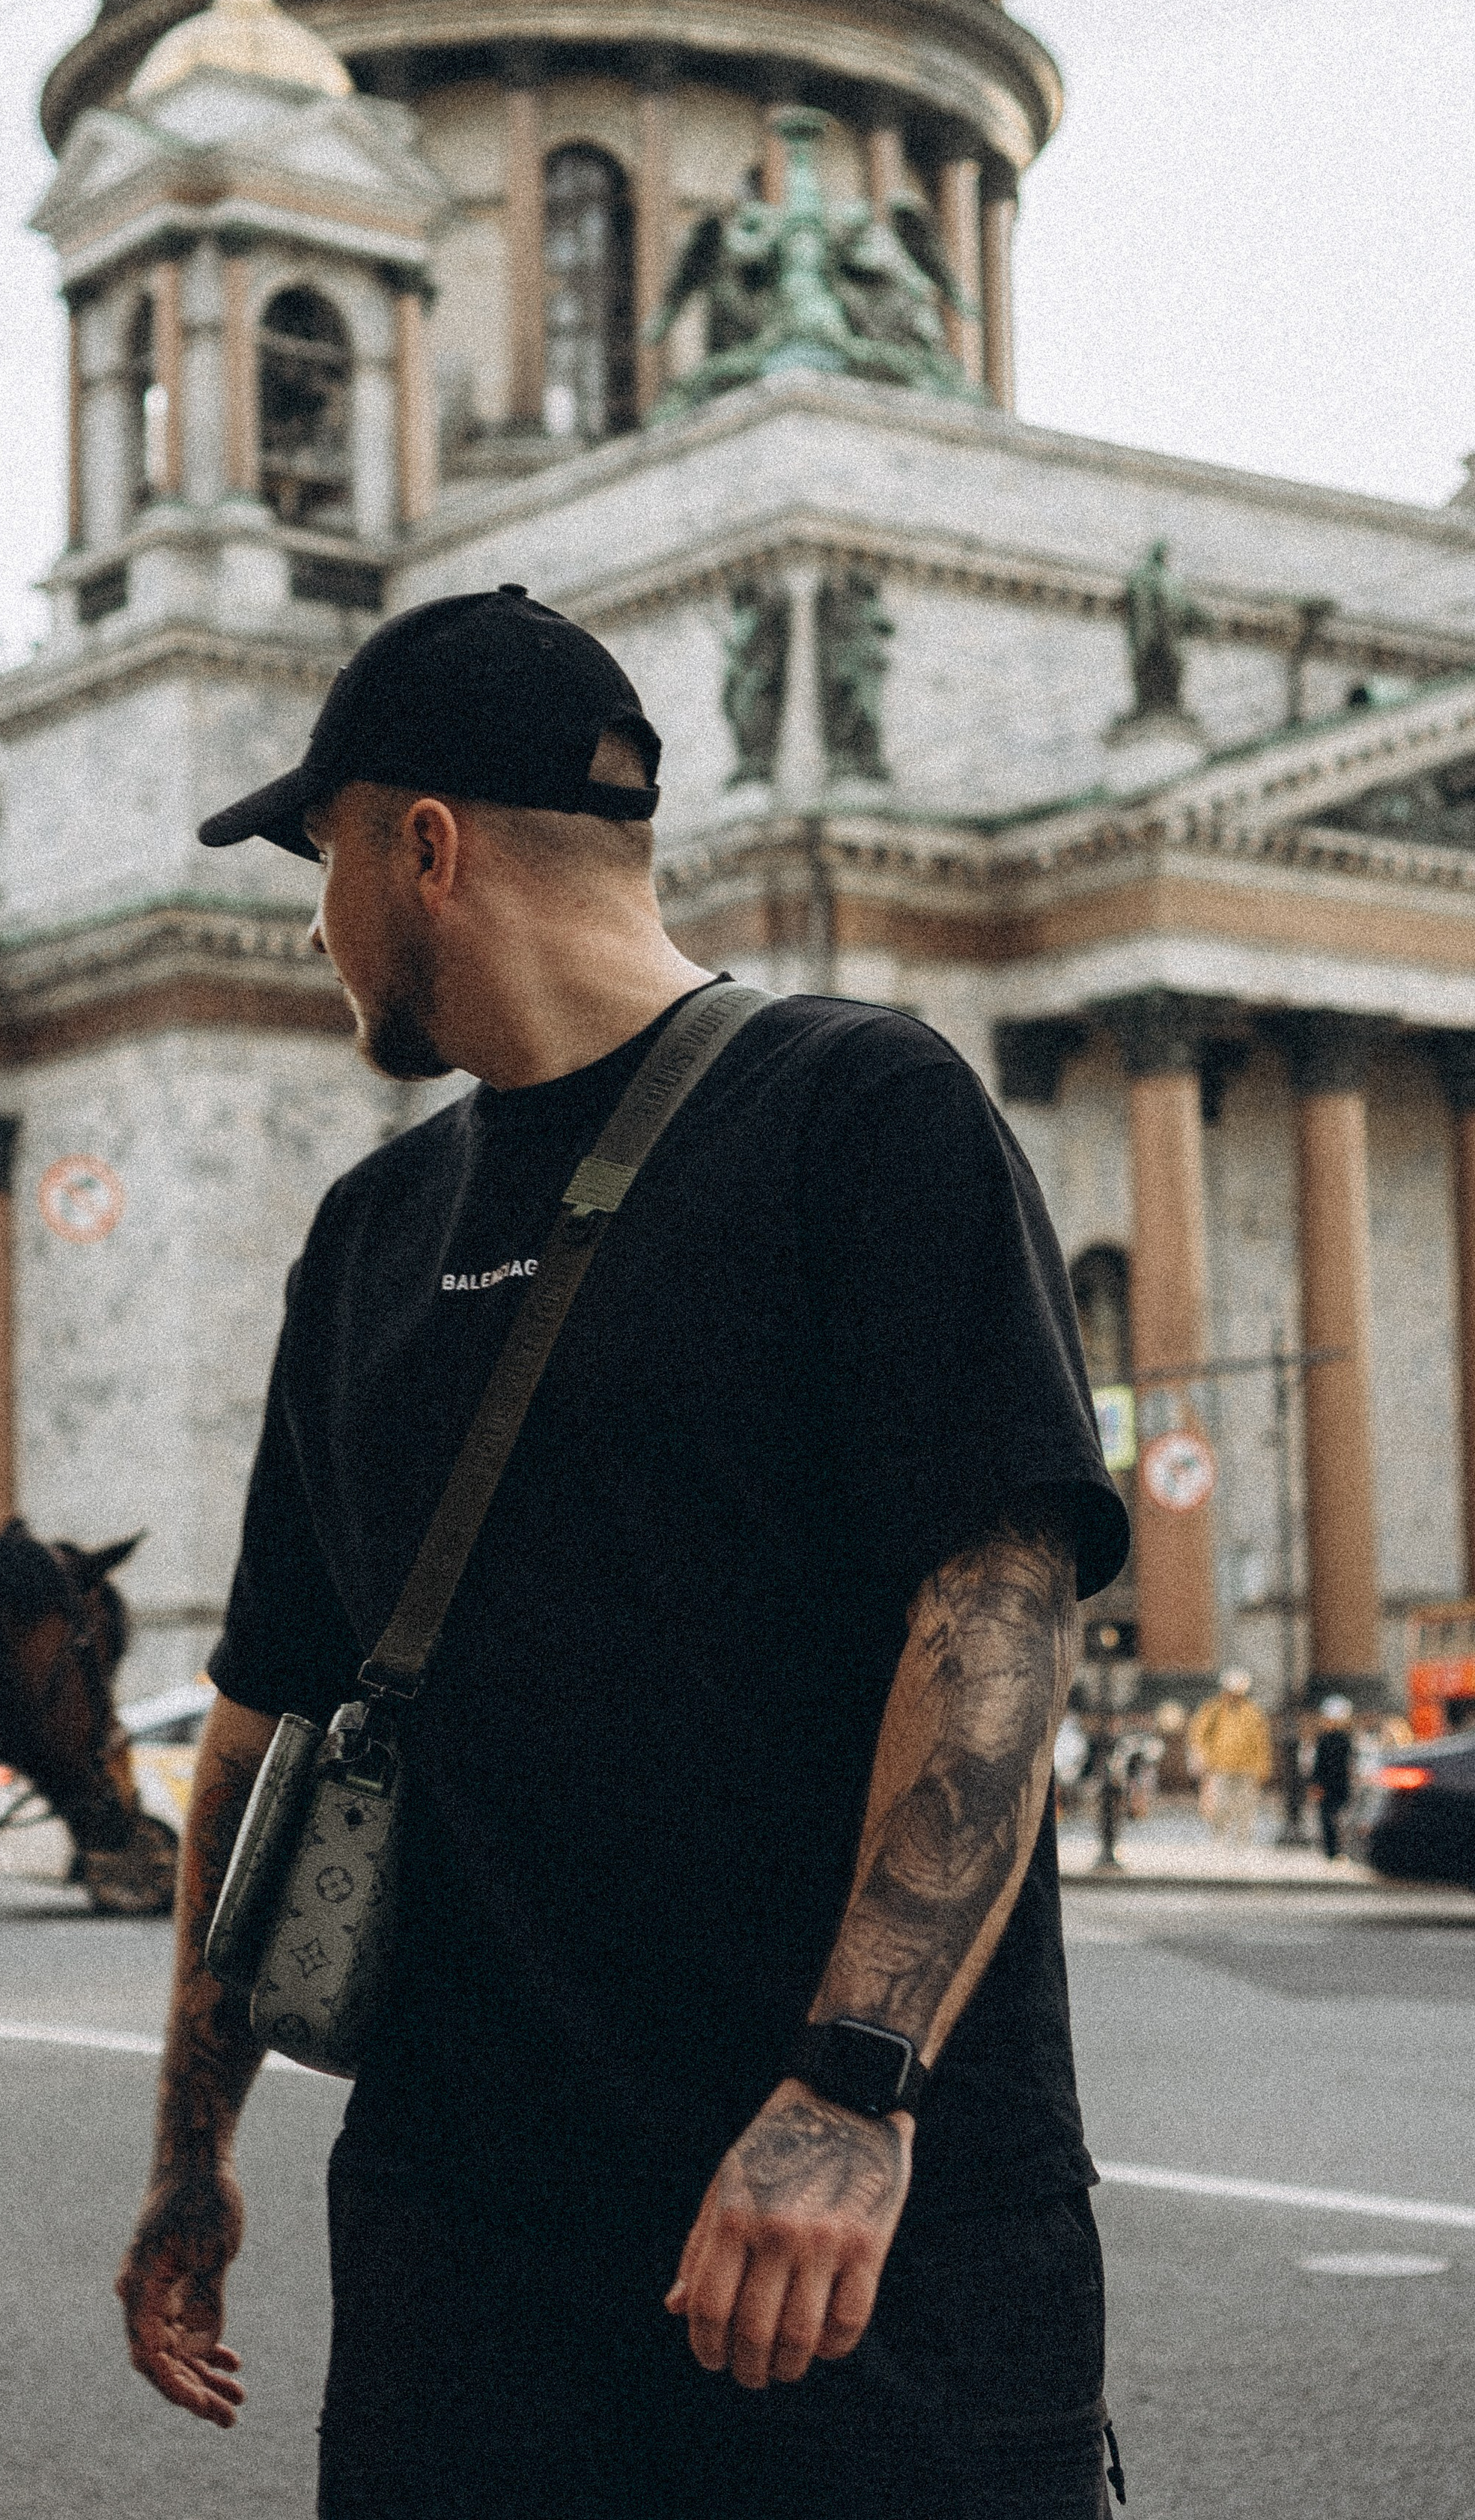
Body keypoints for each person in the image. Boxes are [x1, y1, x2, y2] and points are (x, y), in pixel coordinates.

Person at [118, 586, 1131, 2519]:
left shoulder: (867, 1114)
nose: (313, 924)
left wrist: (851, 2088)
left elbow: (997, 1603)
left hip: (845, 2275)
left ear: (423, 850)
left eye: (318, 863)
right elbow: (262, 1734)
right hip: (463, 2293)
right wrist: (193, 2150)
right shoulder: (361, 1240)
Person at [1186, 1669, 1273, 1847]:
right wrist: (1202, 1757)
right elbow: (1198, 1734)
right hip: (1220, 1766)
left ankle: (1242, 1840)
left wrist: (1263, 1768)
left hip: (1247, 1768)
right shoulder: (1213, 1709)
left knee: (1245, 1806)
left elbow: (1261, 1742)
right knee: (1220, 1805)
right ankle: (1219, 1837)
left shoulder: (1253, 1712)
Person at [1310, 1695, 1355, 1861]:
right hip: (1337, 1784)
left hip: (1332, 1784)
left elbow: (1320, 1764)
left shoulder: (1330, 1739)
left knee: (1330, 1817)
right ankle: (1333, 1850)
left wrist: (1316, 1782)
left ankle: (1333, 1850)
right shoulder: (1343, 1739)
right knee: (1332, 1817)